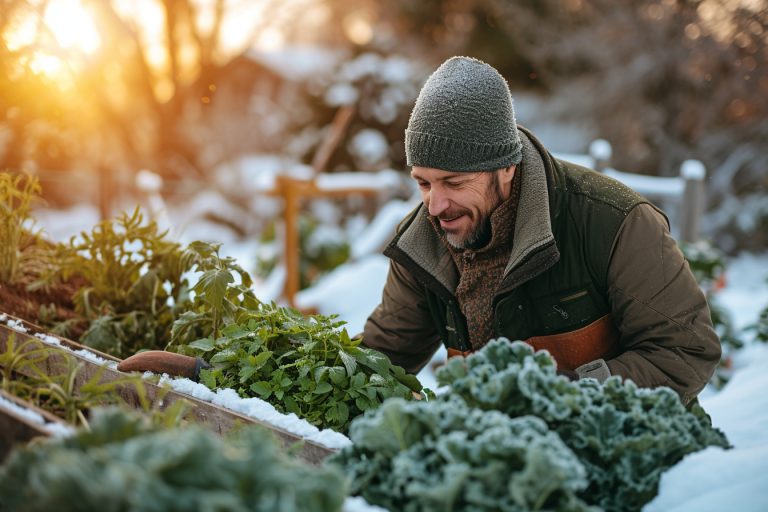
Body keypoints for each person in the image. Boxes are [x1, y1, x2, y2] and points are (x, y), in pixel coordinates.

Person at [361, 56, 720, 405]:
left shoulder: (615, 222)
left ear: (506, 168)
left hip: (632, 450)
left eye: (454, 183)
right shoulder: (421, 241)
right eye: (423, 183)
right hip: (493, 457)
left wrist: (558, 399)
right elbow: (383, 357)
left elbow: (685, 352)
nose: (436, 206)